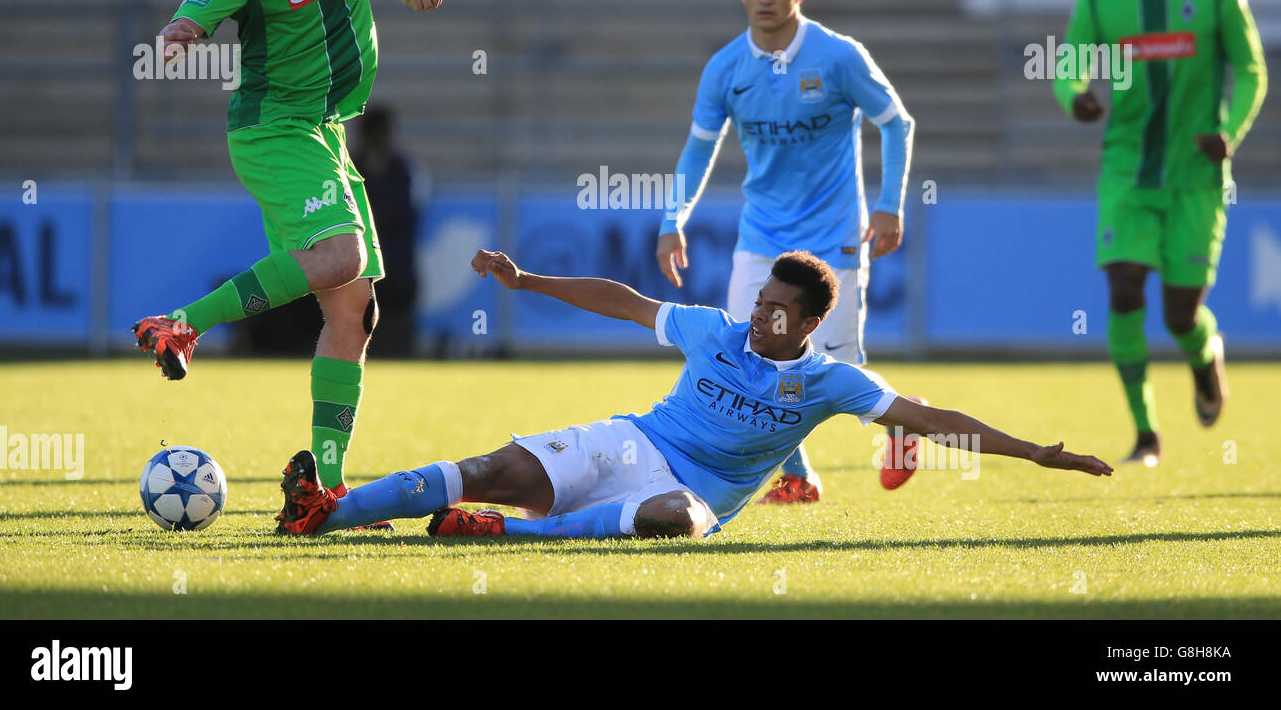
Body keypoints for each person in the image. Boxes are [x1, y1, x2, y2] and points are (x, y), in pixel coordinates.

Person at [274, 248, 1112, 538]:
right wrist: (526, 280)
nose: (758, 316)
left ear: (813, 321)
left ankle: (499, 535)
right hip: (635, 442)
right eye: (759, 302)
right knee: (487, 463)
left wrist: (1036, 451)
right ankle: (326, 509)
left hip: (695, 492)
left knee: (673, 522)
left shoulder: (829, 381)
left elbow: (931, 418)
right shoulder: (715, 326)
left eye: (777, 311)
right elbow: (624, 300)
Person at [131, 0, 444, 517]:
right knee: (341, 255)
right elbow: (188, 16)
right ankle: (183, 322)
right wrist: (179, 36)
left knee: (354, 307)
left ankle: (322, 487)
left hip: (325, 133)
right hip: (274, 131)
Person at [654, 0, 915, 503]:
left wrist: (890, 204)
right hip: (763, 234)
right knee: (755, 354)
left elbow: (897, 123)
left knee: (837, 360)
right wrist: (672, 218)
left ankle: (903, 424)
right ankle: (797, 475)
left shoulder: (838, 56)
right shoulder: (725, 69)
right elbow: (699, 149)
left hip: (836, 233)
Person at [1052, 0, 1267, 466]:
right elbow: (1068, 65)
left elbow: (1251, 70)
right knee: (1123, 289)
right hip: (1127, 172)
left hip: (1196, 178)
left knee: (1180, 313)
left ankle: (1205, 356)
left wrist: (1232, 131)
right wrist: (1076, 98)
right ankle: (1146, 434)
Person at [352, 106, 424, 356]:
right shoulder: (349, 168)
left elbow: (412, 215)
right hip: (360, 267)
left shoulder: (403, 170)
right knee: (356, 333)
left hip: (396, 265)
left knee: (397, 338)